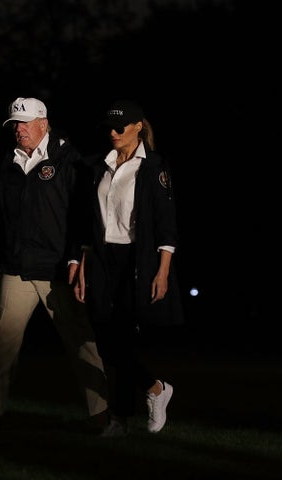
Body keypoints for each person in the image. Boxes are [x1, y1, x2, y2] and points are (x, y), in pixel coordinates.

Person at [0, 97, 109, 432]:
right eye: (15, 123)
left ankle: (103, 416)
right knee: (4, 341)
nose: (19, 129)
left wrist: (76, 256)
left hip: (57, 268)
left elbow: (81, 214)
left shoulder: (68, 158)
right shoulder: (8, 162)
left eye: (25, 123)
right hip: (16, 268)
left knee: (81, 343)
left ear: (44, 122)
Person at [74, 99, 185, 437]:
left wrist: (163, 270)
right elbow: (87, 222)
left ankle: (119, 421)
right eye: (108, 127)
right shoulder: (97, 166)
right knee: (105, 340)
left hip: (135, 260)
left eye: (119, 127)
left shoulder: (153, 167)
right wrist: (81, 265)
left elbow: (167, 225)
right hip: (102, 259)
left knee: (119, 340)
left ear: (138, 127)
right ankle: (155, 388)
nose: (112, 132)